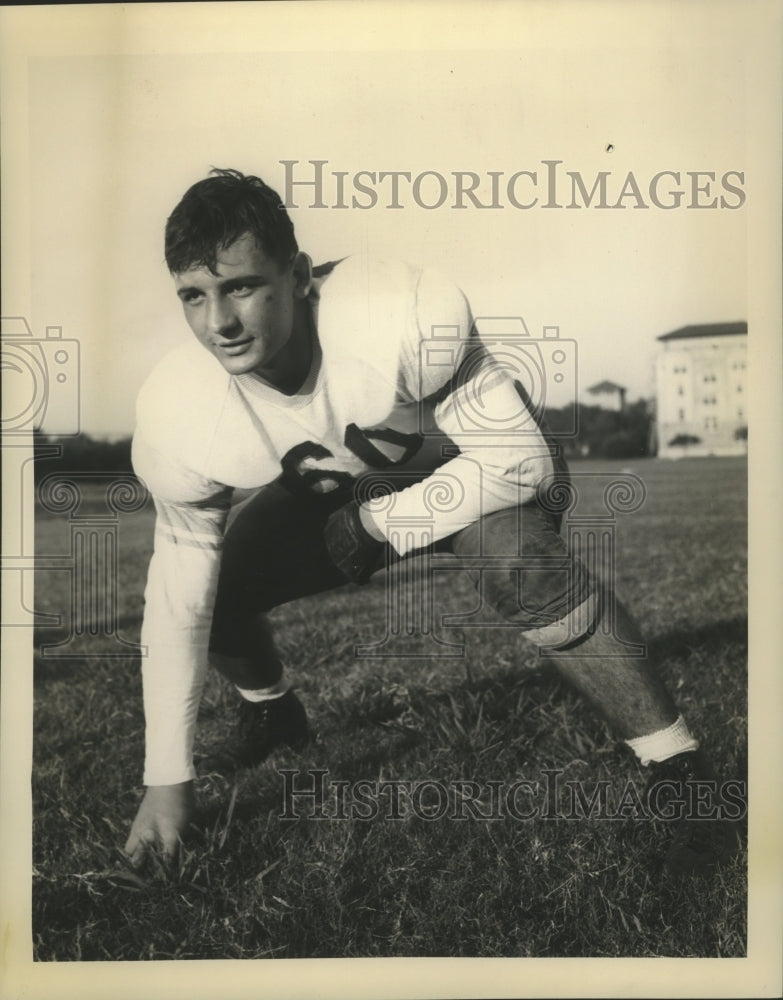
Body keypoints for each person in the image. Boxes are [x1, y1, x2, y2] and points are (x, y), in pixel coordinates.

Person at [124, 168, 740, 875]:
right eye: (193, 297)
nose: (218, 323)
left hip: (470, 466)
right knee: (219, 587)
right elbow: (178, 598)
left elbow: (519, 462)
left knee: (519, 563)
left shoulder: (393, 308)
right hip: (336, 489)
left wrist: (381, 524)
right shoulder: (178, 407)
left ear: (296, 275)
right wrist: (166, 782)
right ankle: (272, 711)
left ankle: (678, 769)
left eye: (240, 286)